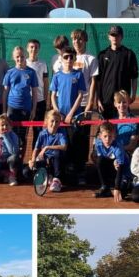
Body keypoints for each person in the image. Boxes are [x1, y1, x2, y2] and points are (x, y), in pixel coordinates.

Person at [50, 47, 86, 183]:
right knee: (61, 145)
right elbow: (53, 95)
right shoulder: (57, 76)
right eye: (66, 57)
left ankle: (77, 175)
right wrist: (57, 112)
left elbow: (80, 95)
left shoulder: (78, 75)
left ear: (75, 59)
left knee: (74, 144)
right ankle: (60, 175)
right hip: (60, 118)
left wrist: (71, 113)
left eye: (71, 57)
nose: (69, 59)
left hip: (74, 117)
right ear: (62, 59)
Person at [69, 29, 99, 185]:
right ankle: (70, 170)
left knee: (82, 138)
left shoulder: (91, 58)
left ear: (85, 41)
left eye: (79, 39)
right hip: (69, 106)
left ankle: (81, 171)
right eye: (74, 39)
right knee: (70, 138)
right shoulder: (68, 58)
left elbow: (93, 82)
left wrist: (90, 103)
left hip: (83, 105)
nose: (76, 42)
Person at [3, 46, 39, 160]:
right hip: (11, 109)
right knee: (10, 134)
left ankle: (20, 161)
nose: (20, 59)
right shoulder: (9, 72)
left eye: (22, 56)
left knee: (23, 137)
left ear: (25, 56)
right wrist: (4, 111)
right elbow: (5, 93)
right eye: (17, 57)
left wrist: (33, 110)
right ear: (14, 58)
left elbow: (35, 93)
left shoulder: (32, 72)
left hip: (26, 109)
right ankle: (11, 161)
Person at [96, 26, 138, 119]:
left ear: (121, 37)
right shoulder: (102, 55)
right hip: (106, 101)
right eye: (113, 35)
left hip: (122, 101)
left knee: (122, 128)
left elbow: (134, 77)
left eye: (117, 35)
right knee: (105, 129)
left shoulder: (129, 54)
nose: (115, 37)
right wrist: (98, 99)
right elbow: (98, 79)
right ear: (109, 37)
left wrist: (133, 95)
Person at [29, 110, 68, 193]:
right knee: (33, 164)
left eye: (57, 121)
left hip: (57, 159)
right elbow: (36, 149)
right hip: (46, 158)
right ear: (46, 121)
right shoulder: (42, 134)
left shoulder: (61, 132)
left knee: (57, 153)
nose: (54, 124)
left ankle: (56, 180)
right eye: (52, 121)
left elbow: (64, 147)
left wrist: (47, 147)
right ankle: (47, 176)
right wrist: (33, 160)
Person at [92, 122, 128, 202]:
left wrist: (117, 188)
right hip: (111, 166)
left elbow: (120, 168)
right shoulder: (98, 144)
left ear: (114, 136)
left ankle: (120, 186)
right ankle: (105, 187)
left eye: (110, 136)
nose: (107, 139)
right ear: (100, 136)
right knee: (100, 160)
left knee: (123, 194)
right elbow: (100, 161)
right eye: (105, 136)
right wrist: (112, 161)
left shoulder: (118, 148)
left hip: (122, 171)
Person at [26, 39, 50, 131]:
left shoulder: (43, 63)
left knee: (38, 129)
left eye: (36, 47)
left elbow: (46, 82)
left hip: (40, 101)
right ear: (27, 49)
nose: (34, 49)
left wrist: (45, 99)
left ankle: (37, 146)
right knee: (25, 130)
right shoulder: (24, 63)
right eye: (31, 47)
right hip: (26, 101)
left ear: (39, 49)